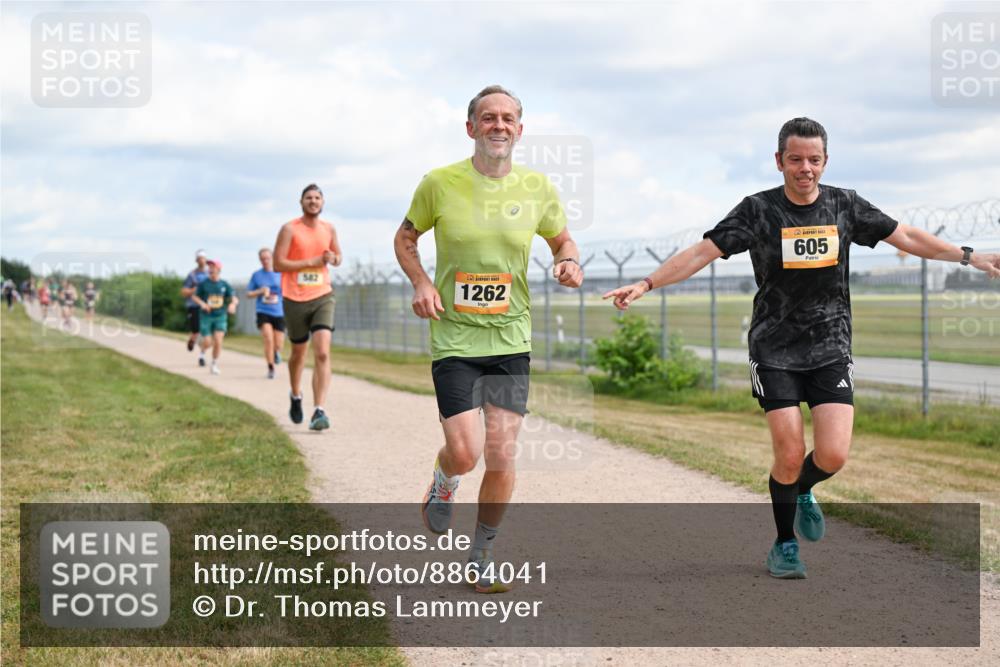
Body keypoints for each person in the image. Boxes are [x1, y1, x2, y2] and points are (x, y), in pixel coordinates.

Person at [603, 117, 1000, 579]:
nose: (805, 168)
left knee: (832, 455)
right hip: (773, 349)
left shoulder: (844, 205)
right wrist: (647, 283)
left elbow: (906, 236)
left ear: (825, 162)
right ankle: (784, 544)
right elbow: (702, 252)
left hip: (830, 345)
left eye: (814, 160)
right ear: (779, 162)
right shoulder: (757, 211)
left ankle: (804, 489)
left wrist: (970, 256)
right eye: (795, 159)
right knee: (789, 453)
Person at [394, 85, 583, 593]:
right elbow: (406, 236)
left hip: (511, 336)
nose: (498, 125)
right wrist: (422, 282)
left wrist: (567, 260)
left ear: (519, 130)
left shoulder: (537, 187)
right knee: (465, 451)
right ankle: (444, 479)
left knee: (502, 453)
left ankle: (482, 552)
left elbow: (562, 238)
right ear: (471, 126)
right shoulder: (439, 183)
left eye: (508, 119)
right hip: (455, 338)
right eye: (488, 117)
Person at [272, 184, 342, 431]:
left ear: (322, 202)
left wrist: (333, 259)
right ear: (301, 202)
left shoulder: (329, 228)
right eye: (308, 198)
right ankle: (295, 393)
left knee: (322, 352)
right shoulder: (290, 229)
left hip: (323, 295)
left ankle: (319, 410)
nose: (313, 201)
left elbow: (338, 257)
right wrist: (311, 261)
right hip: (294, 298)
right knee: (298, 353)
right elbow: (277, 264)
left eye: (317, 197)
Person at [191, 259, 238, 375]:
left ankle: (214, 364)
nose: (210, 269)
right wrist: (203, 304)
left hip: (220, 316)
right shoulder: (204, 284)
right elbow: (194, 297)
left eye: (213, 267)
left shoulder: (224, 284)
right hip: (206, 316)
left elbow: (234, 297)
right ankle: (202, 353)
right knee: (207, 341)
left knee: (218, 340)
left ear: (219, 270)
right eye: (209, 267)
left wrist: (232, 304)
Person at [247, 247, 286, 379]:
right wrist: (260, 291)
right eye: (262, 259)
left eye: (267, 258)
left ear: (272, 258)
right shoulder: (257, 275)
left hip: (279, 311)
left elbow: (288, 290)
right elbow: (248, 294)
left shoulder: (281, 273)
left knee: (279, 343)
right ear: (260, 260)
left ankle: (276, 352)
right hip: (263, 311)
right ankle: (270, 367)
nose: (265, 261)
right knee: (268, 338)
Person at [181, 250, 210, 366]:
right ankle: (192, 339)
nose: (201, 260)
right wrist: (194, 290)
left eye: (203, 258)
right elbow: (184, 291)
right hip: (194, 306)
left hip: (207, 307)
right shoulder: (192, 275)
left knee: (206, 333)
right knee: (196, 332)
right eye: (199, 258)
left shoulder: (210, 274)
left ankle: (202, 355)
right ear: (196, 260)